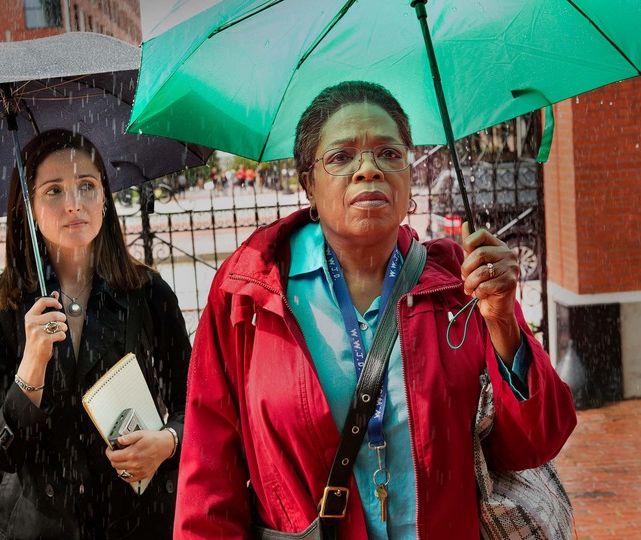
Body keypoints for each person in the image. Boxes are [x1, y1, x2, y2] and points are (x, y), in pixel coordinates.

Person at [174, 82, 576, 539]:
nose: (369, 169)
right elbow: (209, 478)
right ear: (308, 182)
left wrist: (503, 319)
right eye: (342, 157)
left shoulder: (459, 287)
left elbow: (538, 441)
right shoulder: (248, 294)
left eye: (389, 153)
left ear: (409, 173)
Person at [0, 129, 191, 539]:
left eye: (87, 186)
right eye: (53, 191)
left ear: (105, 198)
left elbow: (195, 402)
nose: (74, 204)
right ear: (29, 208)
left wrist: (168, 441)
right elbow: (2, 450)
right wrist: (32, 363)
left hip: (136, 520)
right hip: (37, 525)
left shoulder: (148, 295)